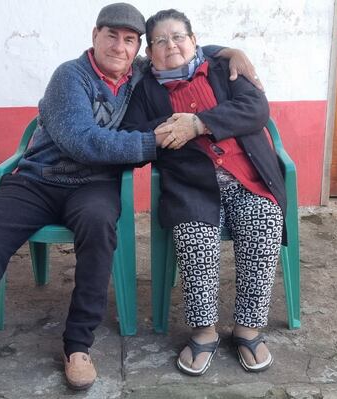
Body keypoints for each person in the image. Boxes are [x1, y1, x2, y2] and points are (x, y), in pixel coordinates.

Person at [0, 3, 262, 398]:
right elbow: (84, 141)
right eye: (111, 35)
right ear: (94, 36)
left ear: (137, 49)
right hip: (38, 180)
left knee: (99, 230)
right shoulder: (70, 76)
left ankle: (78, 346)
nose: (119, 46)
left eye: (129, 40)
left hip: (93, 185)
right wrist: (153, 140)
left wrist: (228, 51)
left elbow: (177, 46)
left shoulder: (140, 72)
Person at [120, 9, 287, 376]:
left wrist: (199, 124)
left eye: (178, 36)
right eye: (160, 41)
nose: (171, 46)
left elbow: (256, 108)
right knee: (195, 237)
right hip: (192, 185)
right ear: (150, 52)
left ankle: (248, 328)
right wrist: (168, 127)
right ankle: (204, 331)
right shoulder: (146, 87)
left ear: (194, 40)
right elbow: (132, 131)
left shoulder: (222, 68)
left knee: (263, 224)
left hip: (248, 177)